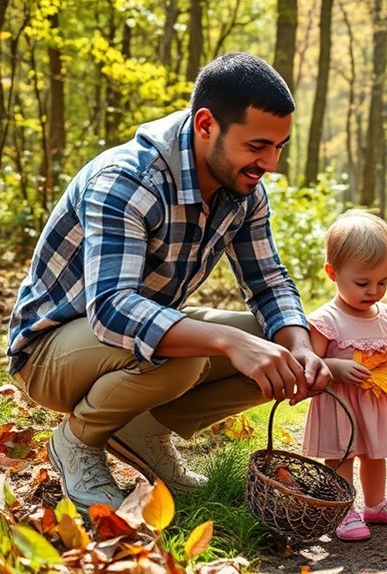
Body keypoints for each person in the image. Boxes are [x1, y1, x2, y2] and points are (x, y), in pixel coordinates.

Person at [6, 52, 331, 513]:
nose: (270, 164)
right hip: (47, 352)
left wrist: (298, 345)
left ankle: (143, 430)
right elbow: (113, 308)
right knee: (189, 351)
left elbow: (269, 282)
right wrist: (227, 341)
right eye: (258, 145)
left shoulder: (243, 189)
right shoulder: (127, 180)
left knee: (288, 339)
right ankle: (77, 442)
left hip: (123, 344)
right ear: (205, 125)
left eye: (279, 147)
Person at [301, 210, 387, 541]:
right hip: (340, 404)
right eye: (362, 283)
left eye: (383, 281)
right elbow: (313, 361)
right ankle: (342, 508)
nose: (374, 291)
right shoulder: (327, 320)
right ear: (332, 273)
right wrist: (335, 367)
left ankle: (376, 504)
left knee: (374, 454)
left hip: (376, 402)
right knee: (340, 455)